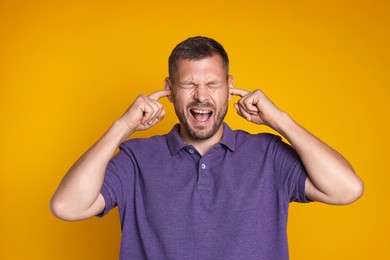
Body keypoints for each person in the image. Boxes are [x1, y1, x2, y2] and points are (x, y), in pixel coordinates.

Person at [50, 36, 364, 259]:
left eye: (212, 84)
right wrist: (121, 128)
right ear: (170, 91)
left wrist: (281, 121)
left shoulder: (268, 154)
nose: (201, 96)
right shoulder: (137, 160)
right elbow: (67, 207)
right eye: (189, 85)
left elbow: (347, 189)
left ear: (230, 88)